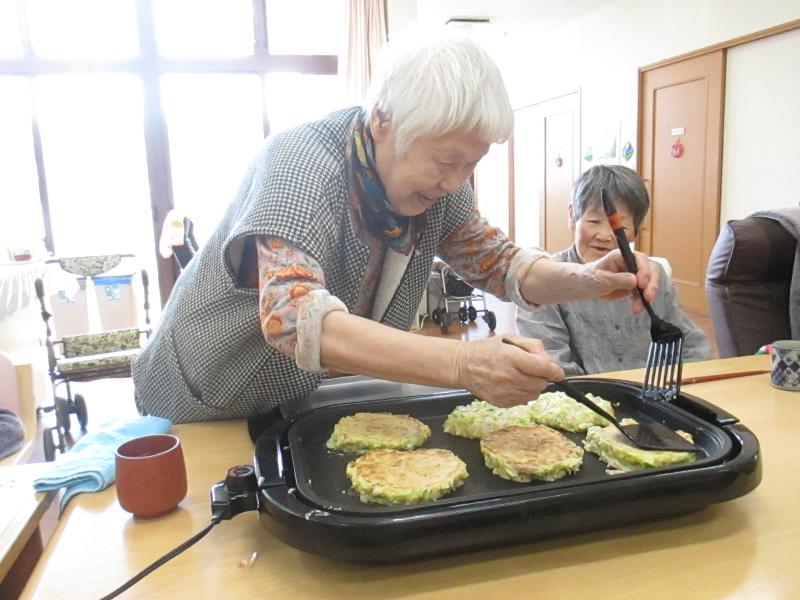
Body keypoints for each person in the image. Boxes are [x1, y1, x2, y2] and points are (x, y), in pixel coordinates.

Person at [132, 32, 660, 423]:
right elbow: (293, 317)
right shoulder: (300, 164)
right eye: (445, 160)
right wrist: (463, 363)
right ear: (383, 119)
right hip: (200, 394)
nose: (455, 183)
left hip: (287, 396)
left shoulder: (438, 189)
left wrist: (590, 279)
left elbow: (502, 266)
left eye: (471, 166)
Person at [516, 165, 710, 376]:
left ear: (636, 231)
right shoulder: (542, 283)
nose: (606, 235)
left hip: (651, 397)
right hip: (584, 402)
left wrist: (680, 383)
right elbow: (551, 364)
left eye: (620, 227)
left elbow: (691, 344)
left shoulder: (653, 277)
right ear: (572, 217)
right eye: (594, 221)